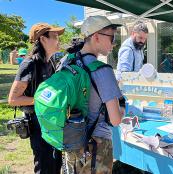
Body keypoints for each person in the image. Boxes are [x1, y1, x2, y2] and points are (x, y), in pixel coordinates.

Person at [65, 15, 124, 174]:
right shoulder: (103, 70)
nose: (114, 43)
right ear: (96, 36)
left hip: (70, 140)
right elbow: (116, 120)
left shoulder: (67, 62)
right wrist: (123, 106)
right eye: (111, 38)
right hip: (97, 146)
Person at [8, 23, 65, 173]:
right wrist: (43, 100)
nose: (58, 40)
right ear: (43, 39)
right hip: (37, 123)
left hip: (51, 121)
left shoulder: (50, 62)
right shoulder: (30, 63)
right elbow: (13, 99)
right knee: (44, 166)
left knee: (55, 164)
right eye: (54, 37)